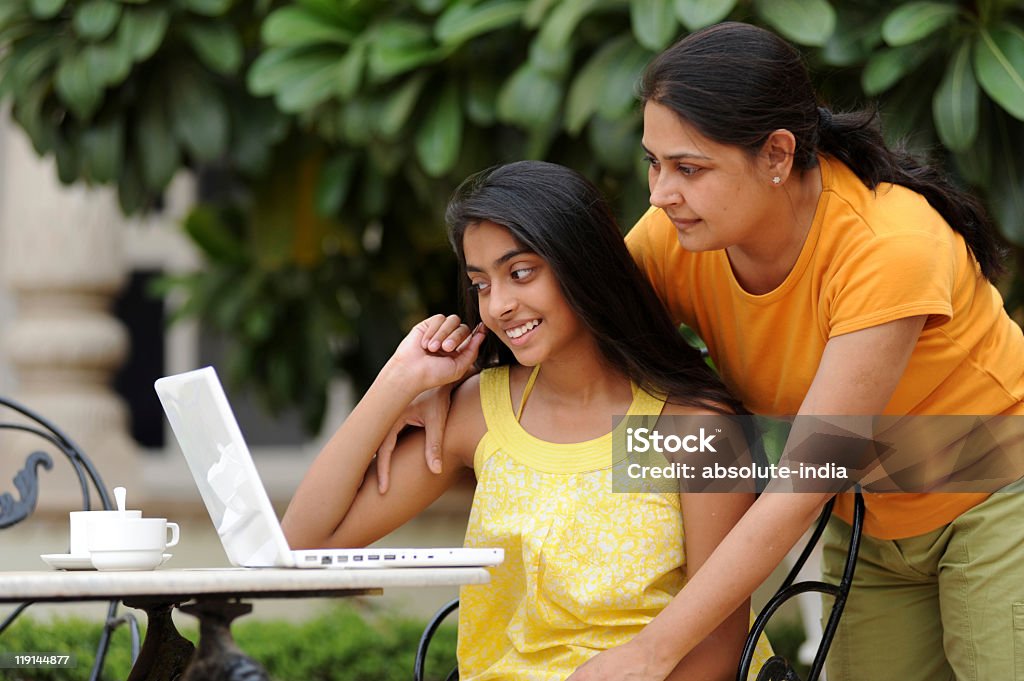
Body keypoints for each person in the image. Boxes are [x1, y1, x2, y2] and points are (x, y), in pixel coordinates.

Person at [381, 22, 1024, 681]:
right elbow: (574, 325)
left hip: (995, 490)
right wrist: (444, 389)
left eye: (688, 168)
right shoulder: (679, 236)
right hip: (874, 515)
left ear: (777, 154)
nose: (660, 194)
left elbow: (807, 476)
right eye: (653, 164)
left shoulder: (888, 245)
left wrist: (652, 650)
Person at [281, 160, 774, 680]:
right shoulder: (481, 412)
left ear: (581, 264)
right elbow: (298, 546)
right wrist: (397, 383)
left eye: (520, 273)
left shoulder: (693, 427)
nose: (499, 306)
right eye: (481, 284)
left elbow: (720, 651)